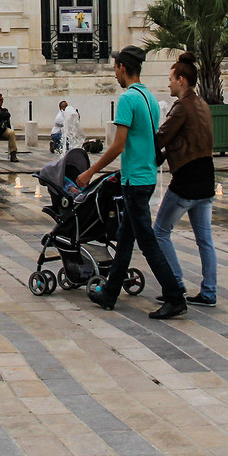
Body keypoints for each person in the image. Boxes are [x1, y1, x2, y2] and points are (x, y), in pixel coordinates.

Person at [76, 46, 188, 319]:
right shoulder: (148, 97)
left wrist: (91, 171)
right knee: (125, 239)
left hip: (135, 180)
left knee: (147, 242)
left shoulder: (128, 99)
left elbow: (118, 145)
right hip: (145, 176)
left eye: (115, 68)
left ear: (123, 68)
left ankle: (174, 297)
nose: (114, 73)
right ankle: (110, 292)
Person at [152, 52, 219, 308]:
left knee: (159, 232)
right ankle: (209, 293)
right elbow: (186, 139)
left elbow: (161, 138)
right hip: (206, 177)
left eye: (170, 79)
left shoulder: (182, 107)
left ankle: (176, 284)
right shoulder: (201, 103)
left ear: (181, 80)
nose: (168, 83)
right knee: (205, 240)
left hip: (187, 180)